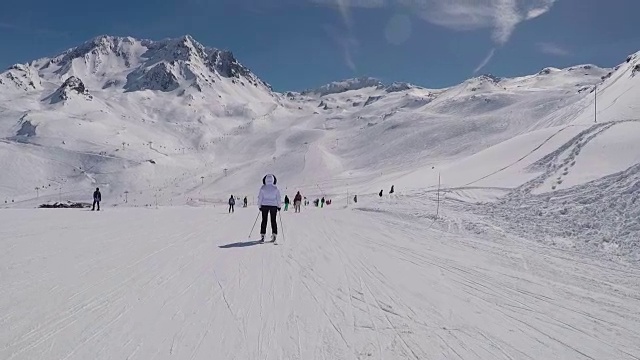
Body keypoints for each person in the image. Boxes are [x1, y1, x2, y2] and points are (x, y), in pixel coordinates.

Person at [258, 174, 281, 242]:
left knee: (264, 220)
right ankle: (274, 235)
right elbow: (278, 198)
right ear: (273, 180)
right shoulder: (275, 188)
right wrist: (279, 206)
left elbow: (260, 198)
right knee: (273, 220)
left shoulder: (263, 188)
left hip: (264, 205)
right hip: (273, 206)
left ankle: (262, 235)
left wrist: (259, 206)